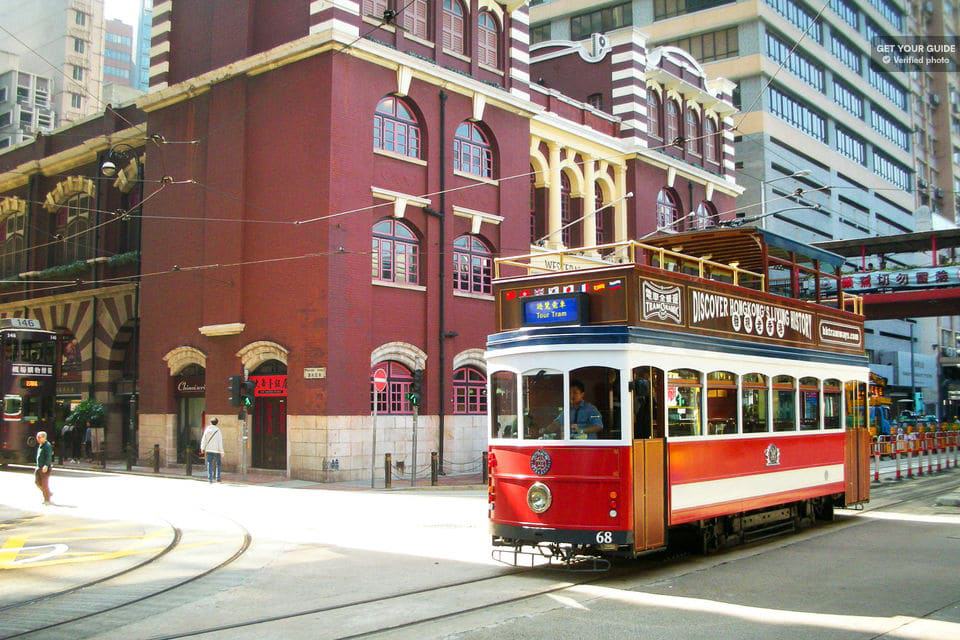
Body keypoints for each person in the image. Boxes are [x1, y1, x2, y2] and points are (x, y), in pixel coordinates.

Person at [199, 418, 224, 483]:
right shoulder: (218, 430)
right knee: (218, 464)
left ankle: (210, 478)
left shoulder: (207, 430)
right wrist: (222, 451)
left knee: (209, 463)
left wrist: (202, 448)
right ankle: (218, 478)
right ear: (217, 423)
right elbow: (220, 442)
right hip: (216, 450)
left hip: (209, 450)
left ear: (210, 422)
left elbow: (204, 439)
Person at [35, 431, 53, 504]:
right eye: (37, 437)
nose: (37, 439)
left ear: (44, 438)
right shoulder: (41, 444)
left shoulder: (47, 445)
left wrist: (46, 465)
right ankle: (48, 493)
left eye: (39, 437)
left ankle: (47, 499)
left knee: (44, 484)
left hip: (44, 468)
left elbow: (49, 456)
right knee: (37, 482)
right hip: (39, 467)